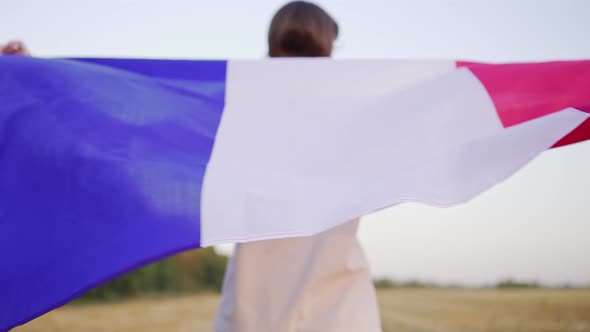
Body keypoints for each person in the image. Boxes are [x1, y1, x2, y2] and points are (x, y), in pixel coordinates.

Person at [1, 3, 382, 331]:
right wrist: (35, 79)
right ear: (329, 47)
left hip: (303, 307)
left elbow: (124, 131)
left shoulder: (240, 111)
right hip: (296, 307)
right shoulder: (264, 111)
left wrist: (37, 83)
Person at [213, 2, 382, 332]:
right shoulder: (354, 111)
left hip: (285, 288)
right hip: (319, 293)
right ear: (327, 46)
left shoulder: (238, 109)